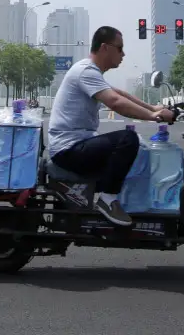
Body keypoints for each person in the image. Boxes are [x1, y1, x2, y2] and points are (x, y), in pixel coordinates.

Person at [48, 25, 175, 226]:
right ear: (105, 48)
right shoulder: (85, 71)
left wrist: (152, 107)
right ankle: (108, 200)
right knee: (128, 139)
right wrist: (154, 116)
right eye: (120, 48)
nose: (123, 54)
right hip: (68, 150)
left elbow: (121, 94)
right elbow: (115, 102)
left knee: (136, 146)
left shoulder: (91, 71)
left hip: (76, 145)